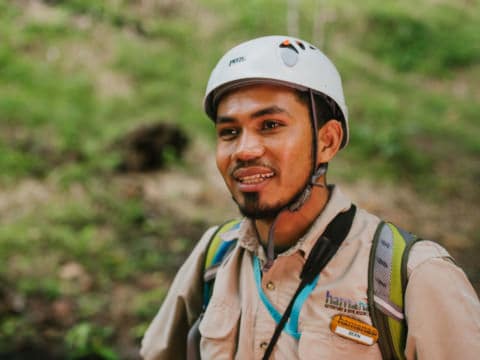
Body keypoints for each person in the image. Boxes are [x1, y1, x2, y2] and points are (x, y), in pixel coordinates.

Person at [140, 35, 480, 359]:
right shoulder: (215, 257)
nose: (244, 150)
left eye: (270, 125)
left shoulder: (414, 276)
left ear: (328, 141)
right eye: (229, 132)